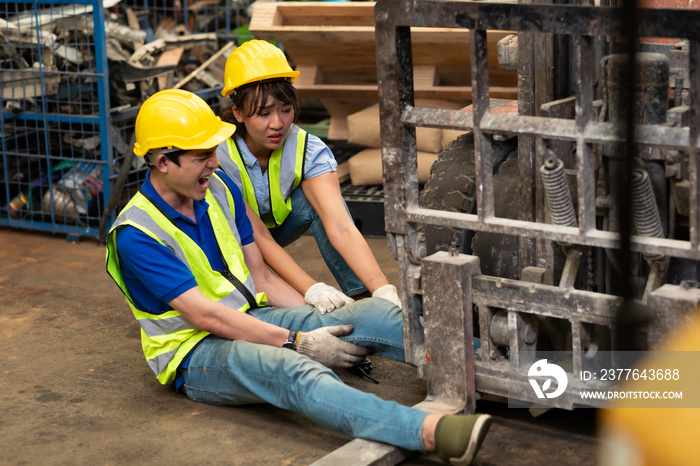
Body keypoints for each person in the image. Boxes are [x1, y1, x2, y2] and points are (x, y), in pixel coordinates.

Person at [105, 89, 492, 465]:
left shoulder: (218, 190)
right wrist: (299, 342)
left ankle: (506, 369)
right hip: (195, 352)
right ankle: (428, 432)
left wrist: (319, 314)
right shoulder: (137, 234)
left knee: (372, 315)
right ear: (162, 161)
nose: (214, 162)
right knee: (296, 370)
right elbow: (207, 317)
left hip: (250, 317)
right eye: (202, 155)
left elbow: (261, 276)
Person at [216, 39, 400, 307]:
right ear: (238, 112)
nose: (278, 124)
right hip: (234, 241)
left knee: (321, 203)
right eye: (264, 113)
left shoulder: (306, 148)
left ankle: (364, 298)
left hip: (272, 233)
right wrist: (311, 289)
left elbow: (341, 226)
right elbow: (257, 236)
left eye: (286, 110)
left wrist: (382, 288)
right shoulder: (220, 155)